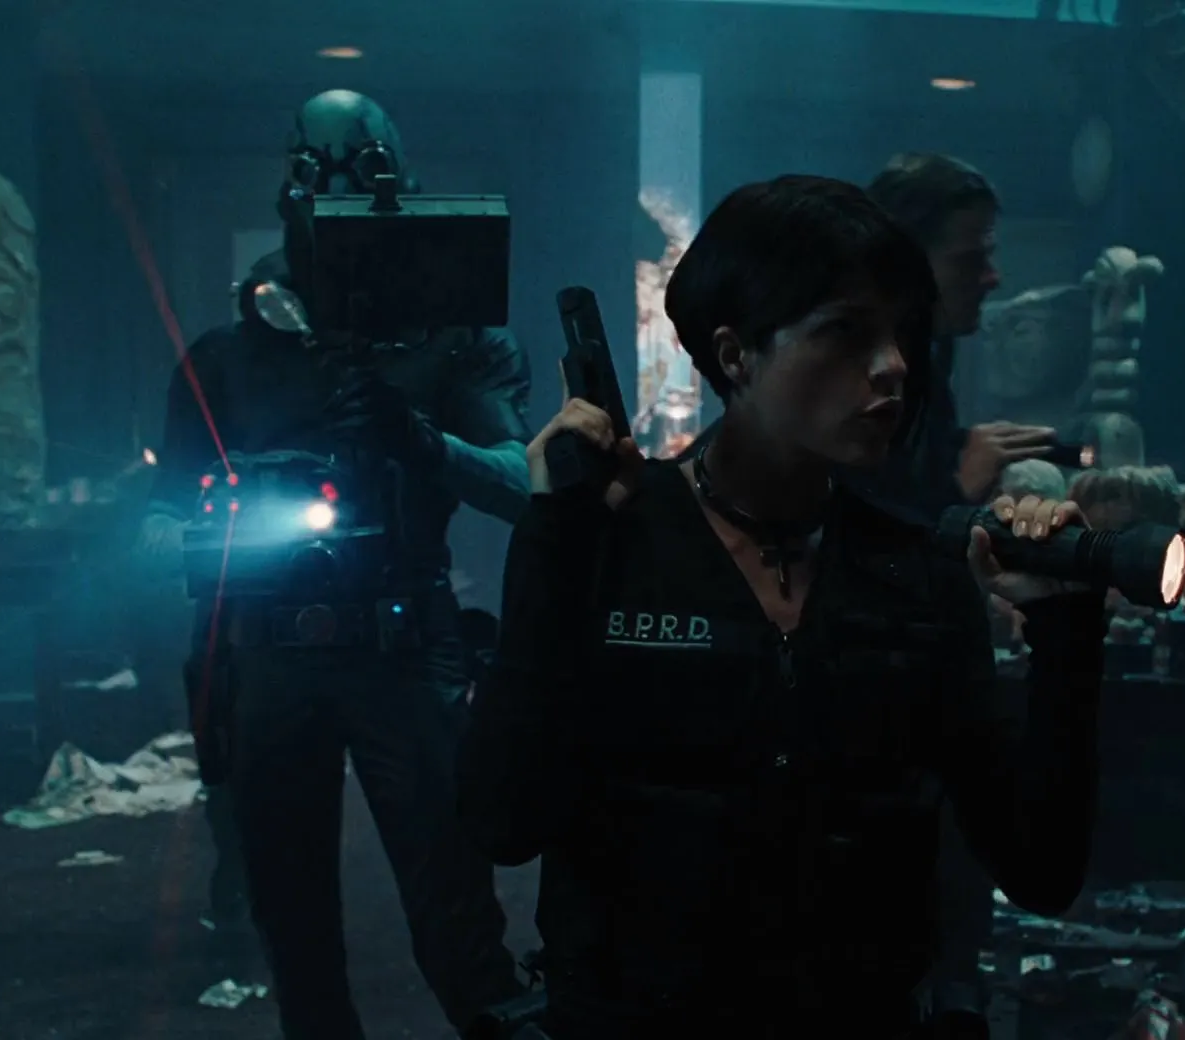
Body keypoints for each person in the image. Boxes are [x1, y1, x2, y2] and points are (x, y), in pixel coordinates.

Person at [459, 174, 1108, 1037]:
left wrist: (1068, 631)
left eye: (900, 333)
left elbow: (1040, 871)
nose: (893, 366)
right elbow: (504, 821)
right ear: (737, 355)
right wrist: (553, 543)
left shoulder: (916, 573)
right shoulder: (610, 540)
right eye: (844, 332)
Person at [139, 89, 527, 1038]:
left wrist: (419, 441)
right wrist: (205, 525)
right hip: (270, 652)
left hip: (402, 643)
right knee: (294, 928)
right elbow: (162, 513)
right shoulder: (227, 360)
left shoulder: (456, 343)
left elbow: (522, 483)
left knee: (459, 929)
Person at [866, 151, 1061, 1022]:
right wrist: (958, 481)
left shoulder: (923, 356)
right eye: (971, 256)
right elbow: (845, 532)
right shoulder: (874, 369)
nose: (993, 276)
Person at [858, 152, 1058, 520]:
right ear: (903, 266)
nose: (993, 278)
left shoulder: (931, 349)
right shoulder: (853, 378)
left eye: (987, 257)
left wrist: (967, 447)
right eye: (968, 261)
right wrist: (957, 490)